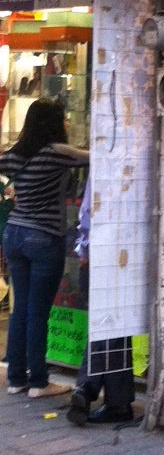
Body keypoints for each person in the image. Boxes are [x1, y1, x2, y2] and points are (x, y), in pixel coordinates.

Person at [1, 99, 89, 398]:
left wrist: (11, 193)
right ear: (53, 123)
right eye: (63, 118)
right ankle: (38, 382)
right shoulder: (57, 153)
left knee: (20, 311)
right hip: (43, 236)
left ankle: (15, 378)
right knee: (38, 313)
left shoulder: (12, 155)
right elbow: (97, 156)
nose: (66, 122)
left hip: (14, 233)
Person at [66, 175, 135, 425]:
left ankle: (88, 387)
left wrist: (85, 250)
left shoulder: (106, 162)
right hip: (127, 252)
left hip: (105, 254)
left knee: (107, 325)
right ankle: (116, 401)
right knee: (112, 326)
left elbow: (88, 213)